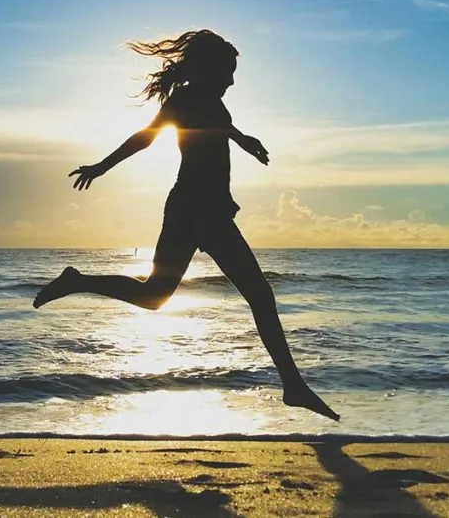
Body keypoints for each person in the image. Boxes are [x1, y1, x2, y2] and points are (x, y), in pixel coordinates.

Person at [34, 29, 340, 421]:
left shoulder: (207, 100)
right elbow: (146, 138)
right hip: (200, 211)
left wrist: (242, 138)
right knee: (259, 297)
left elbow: (214, 126)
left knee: (156, 296)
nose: (232, 80)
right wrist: (101, 167)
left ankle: (79, 281)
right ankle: (293, 386)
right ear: (210, 69)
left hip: (195, 209)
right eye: (228, 71)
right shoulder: (187, 99)